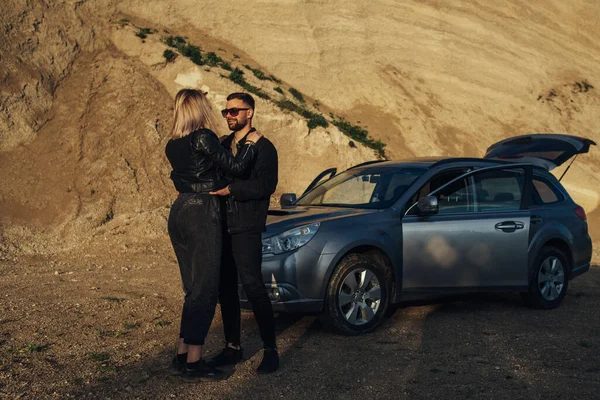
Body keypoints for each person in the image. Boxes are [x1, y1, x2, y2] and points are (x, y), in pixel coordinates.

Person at [165, 88, 261, 381]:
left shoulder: (173, 144)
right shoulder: (203, 137)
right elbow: (237, 167)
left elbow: (193, 170)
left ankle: (182, 354)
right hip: (202, 211)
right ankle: (194, 361)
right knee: (206, 288)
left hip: (179, 210)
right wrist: (251, 145)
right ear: (198, 109)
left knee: (192, 287)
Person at [209, 92, 280, 374]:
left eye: (235, 111)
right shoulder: (223, 144)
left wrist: (233, 189)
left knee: (253, 287)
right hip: (222, 225)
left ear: (249, 113)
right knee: (225, 289)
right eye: (226, 111)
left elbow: (266, 186)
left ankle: (271, 350)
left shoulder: (265, 148)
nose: (229, 116)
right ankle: (232, 347)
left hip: (247, 226)